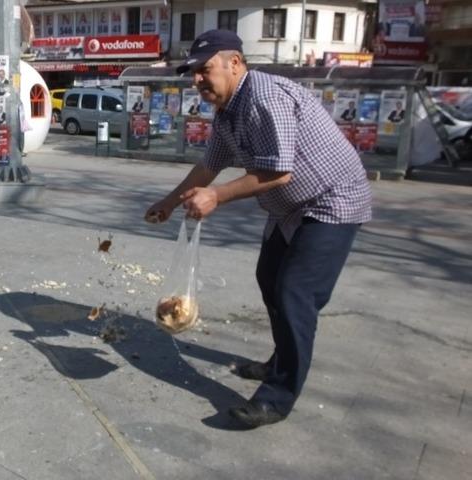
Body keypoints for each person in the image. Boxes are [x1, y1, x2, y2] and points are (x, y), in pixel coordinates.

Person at [145, 29, 372, 428]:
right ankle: (281, 360)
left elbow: (278, 172)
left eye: (205, 69)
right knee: (269, 278)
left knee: (295, 292)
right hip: (289, 209)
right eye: (193, 72)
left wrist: (216, 197)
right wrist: (168, 200)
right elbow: (208, 166)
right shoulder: (228, 111)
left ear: (235, 64)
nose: (197, 80)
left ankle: (277, 398)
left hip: (333, 200)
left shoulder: (265, 98)